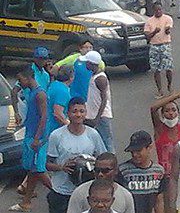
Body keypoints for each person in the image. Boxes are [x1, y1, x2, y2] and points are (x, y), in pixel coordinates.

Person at [46, 97, 107, 213]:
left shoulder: (93, 134)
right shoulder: (56, 135)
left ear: (85, 113)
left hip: (85, 191)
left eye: (81, 111)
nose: (78, 115)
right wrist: (62, 167)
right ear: (68, 114)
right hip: (61, 192)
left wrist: (93, 166)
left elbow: (103, 158)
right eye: (74, 111)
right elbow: (48, 164)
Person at [9, 66, 51, 212]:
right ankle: (26, 202)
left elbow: (44, 117)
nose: (19, 83)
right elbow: (13, 92)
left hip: (37, 137)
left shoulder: (40, 94)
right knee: (32, 170)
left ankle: (61, 194)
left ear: (28, 78)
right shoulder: (31, 92)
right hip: (30, 134)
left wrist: (37, 138)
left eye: (20, 80)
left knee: (39, 170)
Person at [67, 152, 135, 213]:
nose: (100, 174)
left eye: (105, 170)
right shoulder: (79, 192)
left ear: (116, 170)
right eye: (97, 170)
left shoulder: (126, 195)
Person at [118, 131, 167, 213]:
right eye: (132, 152)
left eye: (138, 151)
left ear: (149, 148)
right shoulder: (123, 171)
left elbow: (159, 200)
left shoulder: (159, 171)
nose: (134, 155)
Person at [84, 52, 115, 153]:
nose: (86, 64)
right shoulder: (95, 76)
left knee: (107, 142)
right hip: (95, 115)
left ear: (92, 64)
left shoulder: (100, 79)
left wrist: (97, 118)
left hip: (101, 116)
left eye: (87, 62)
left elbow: (104, 99)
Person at [144, 2, 174, 97]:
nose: (158, 12)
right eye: (156, 10)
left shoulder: (167, 18)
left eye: (160, 9)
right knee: (156, 69)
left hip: (165, 45)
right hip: (154, 46)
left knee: (168, 68)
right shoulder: (149, 21)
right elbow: (147, 37)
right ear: (153, 11)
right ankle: (160, 90)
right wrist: (154, 32)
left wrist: (167, 30)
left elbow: (167, 29)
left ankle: (169, 85)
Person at [46, 65, 73, 134]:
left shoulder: (54, 84)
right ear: (71, 77)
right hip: (55, 129)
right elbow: (58, 114)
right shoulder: (63, 91)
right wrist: (71, 126)